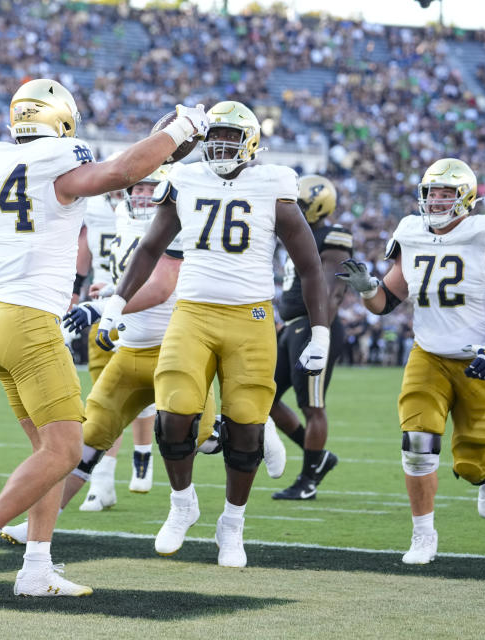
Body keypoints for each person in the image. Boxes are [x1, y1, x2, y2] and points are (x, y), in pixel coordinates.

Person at [0, 78, 208, 601]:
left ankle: (36, 567)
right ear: (60, 119)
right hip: (32, 321)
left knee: (48, 452)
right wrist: (182, 126)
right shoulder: (57, 160)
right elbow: (123, 172)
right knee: (65, 449)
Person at [96, 101, 329, 567]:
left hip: (252, 317)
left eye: (230, 137)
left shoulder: (273, 183)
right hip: (193, 312)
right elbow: (149, 248)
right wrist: (115, 305)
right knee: (173, 412)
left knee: (245, 425)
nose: (221, 145)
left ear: (250, 144)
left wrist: (320, 332)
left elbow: (309, 266)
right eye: (215, 136)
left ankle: (232, 524)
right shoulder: (186, 180)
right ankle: (182, 503)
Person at [0, 165, 219, 547]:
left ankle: (253, 428)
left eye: (152, 188)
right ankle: (41, 526)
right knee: (85, 443)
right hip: (131, 350)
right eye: (138, 188)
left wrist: (104, 308)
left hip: (176, 349)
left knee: (202, 439)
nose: (142, 196)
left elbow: (161, 288)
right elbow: (130, 276)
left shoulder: (179, 222)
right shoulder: (122, 217)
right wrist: (106, 291)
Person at [338, 158, 485, 565]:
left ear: (466, 197)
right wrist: (365, 288)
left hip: (480, 359)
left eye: (446, 193)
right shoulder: (410, 232)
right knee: (418, 444)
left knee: (472, 465)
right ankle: (423, 535)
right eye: (432, 192)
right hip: (427, 355)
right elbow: (385, 302)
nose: (437, 200)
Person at [75, 173, 156, 510]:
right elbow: (83, 249)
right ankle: (103, 481)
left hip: (141, 307)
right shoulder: (94, 206)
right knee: (103, 398)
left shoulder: (157, 211)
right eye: (137, 188)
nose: (142, 195)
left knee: (147, 390)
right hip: (101, 307)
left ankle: (143, 455)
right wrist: (74, 289)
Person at [270, 175, 352, 500]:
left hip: (314, 326)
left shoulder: (333, 235)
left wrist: (322, 333)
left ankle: (308, 480)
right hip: (291, 326)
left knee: (312, 405)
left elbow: (333, 291)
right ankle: (318, 458)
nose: (294, 209)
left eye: (300, 204)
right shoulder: (293, 230)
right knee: (264, 398)